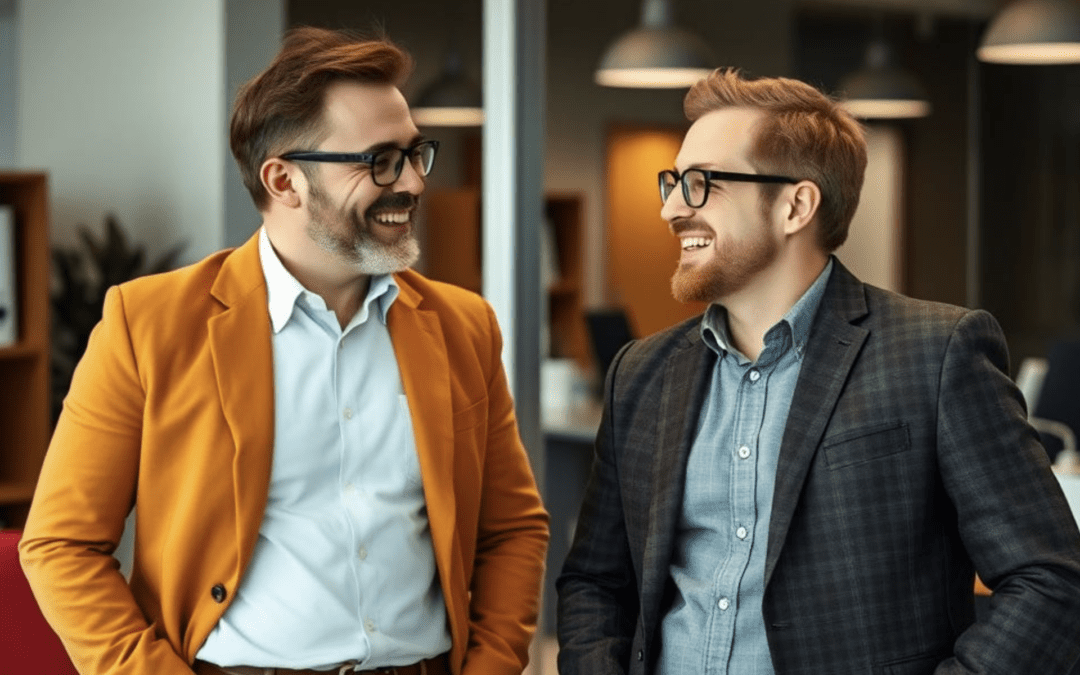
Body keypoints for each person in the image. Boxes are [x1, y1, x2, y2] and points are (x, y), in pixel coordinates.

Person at [20, 27, 548, 675]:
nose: (412, 181)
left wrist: (493, 664)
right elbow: (61, 542)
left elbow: (512, 529)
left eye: (416, 154)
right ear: (284, 180)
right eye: (380, 160)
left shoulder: (465, 326)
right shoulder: (148, 324)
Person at [556, 68, 1080, 675]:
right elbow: (595, 582)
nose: (672, 208)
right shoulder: (641, 374)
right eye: (672, 183)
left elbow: (1049, 580)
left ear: (795, 205)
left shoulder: (936, 354)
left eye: (700, 184)